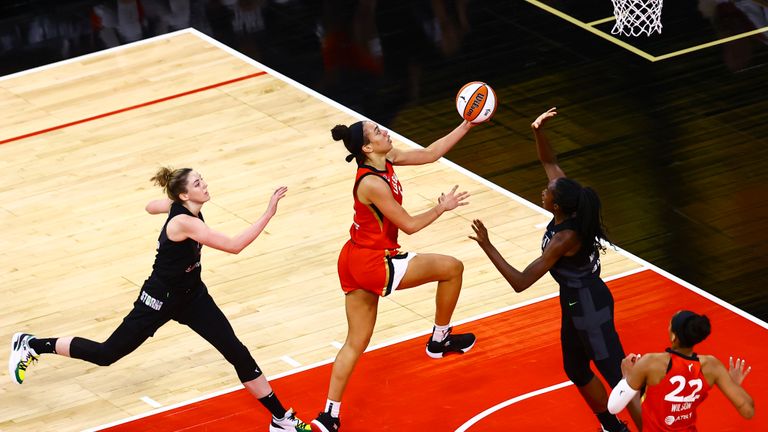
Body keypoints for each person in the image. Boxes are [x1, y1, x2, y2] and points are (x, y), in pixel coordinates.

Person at [8, 167, 311, 432]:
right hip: (159, 298)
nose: (204, 185)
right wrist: (269, 212)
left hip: (192, 296)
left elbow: (149, 206)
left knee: (236, 351)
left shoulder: (181, 208)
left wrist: (164, 204)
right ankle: (33, 344)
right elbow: (233, 246)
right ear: (184, 195)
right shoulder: (185, 222)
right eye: (197, 183)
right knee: (106, 354)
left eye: (201, 180)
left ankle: (281, 419)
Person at [469, 107, 640, 432]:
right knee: (576, 369)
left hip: (589, 304)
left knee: (620, 378)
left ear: (557, 205)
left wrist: (488, 245)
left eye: (548, 192)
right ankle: (612, 427)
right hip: (574, 300)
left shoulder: (564, 238)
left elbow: (521, 282)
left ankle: (655, 427)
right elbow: (549, 162)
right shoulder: (566, 208)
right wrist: (538, 131)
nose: (543, 191)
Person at [311, 119, 478, 432]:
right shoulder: (371, 183)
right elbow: (410, 225)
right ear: (367, 148)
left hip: (353, 258)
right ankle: (439, 340)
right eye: (377, 132)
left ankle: (329, 416)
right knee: (452, 268)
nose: (384, 131)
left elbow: (430, 153)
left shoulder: (386, 158)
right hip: (375, 262)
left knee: (355, 342)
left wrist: (466, 125)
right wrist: (442, 207)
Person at [608, 310, 754, 431]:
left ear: (673, 336)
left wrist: (626, 376)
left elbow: (613, 407)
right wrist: (734, 386)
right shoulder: (712, 366)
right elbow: (748, 411)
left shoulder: (651, 363)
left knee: (636, 390)